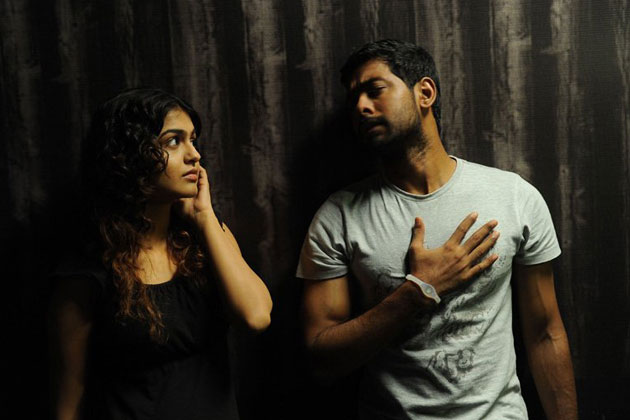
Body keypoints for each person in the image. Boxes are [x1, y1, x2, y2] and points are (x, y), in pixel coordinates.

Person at [298, 39, 577, 419]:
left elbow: (544, 333)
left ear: (425, 93)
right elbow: (321, 360)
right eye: (354, 99)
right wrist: (418, 291)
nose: (361, 106)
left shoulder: (513, 197)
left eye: (375, 90)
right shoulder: (338, 216)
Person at [49, 88, 273, 420]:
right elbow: (69, 400)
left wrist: (205, 217)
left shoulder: (207, 236)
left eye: (193, 140)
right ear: (129, 155)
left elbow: (256, 316)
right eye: (173, 141)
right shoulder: (87, 269)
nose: (194, 155)